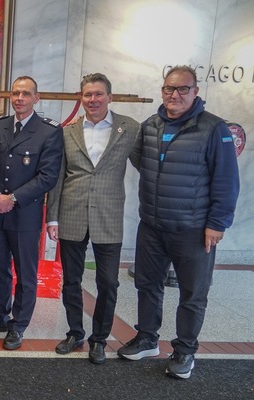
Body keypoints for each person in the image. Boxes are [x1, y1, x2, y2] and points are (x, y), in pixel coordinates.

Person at [119, 65, 239, 379]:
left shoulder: (214, 129)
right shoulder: (151, 125)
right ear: (162, 91)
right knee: (147, 285)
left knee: (193, 293)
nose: (175, 94)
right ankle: (147, 338)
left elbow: (227, 179)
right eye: (169, 88)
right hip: (152, 225)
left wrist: (217, 223)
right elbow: (142, 162)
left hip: (194, 229)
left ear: (195, 92)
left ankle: (184, 350)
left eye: (183, 89)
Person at [45, 73, 140, 364]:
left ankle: (99, 339)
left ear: (110, 97)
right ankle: (75, 332)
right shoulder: (67, 132)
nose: (93, 100)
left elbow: (147, 166)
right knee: (71, 280)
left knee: (108, 282)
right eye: (87, 95)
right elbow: (58, 177)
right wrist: (52, 218)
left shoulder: (130, 128)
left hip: (108, 217)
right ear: (81, 98)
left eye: (98, 94)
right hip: (72, 214)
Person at [0, 76, 63, 350]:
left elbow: (48, 176)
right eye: (15, 93)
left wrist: (12, 198)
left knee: (25, 273)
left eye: (26, 94)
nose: (19, 98)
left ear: (36, 98)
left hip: (25, 215)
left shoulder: (48, 131)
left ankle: (19, 324)